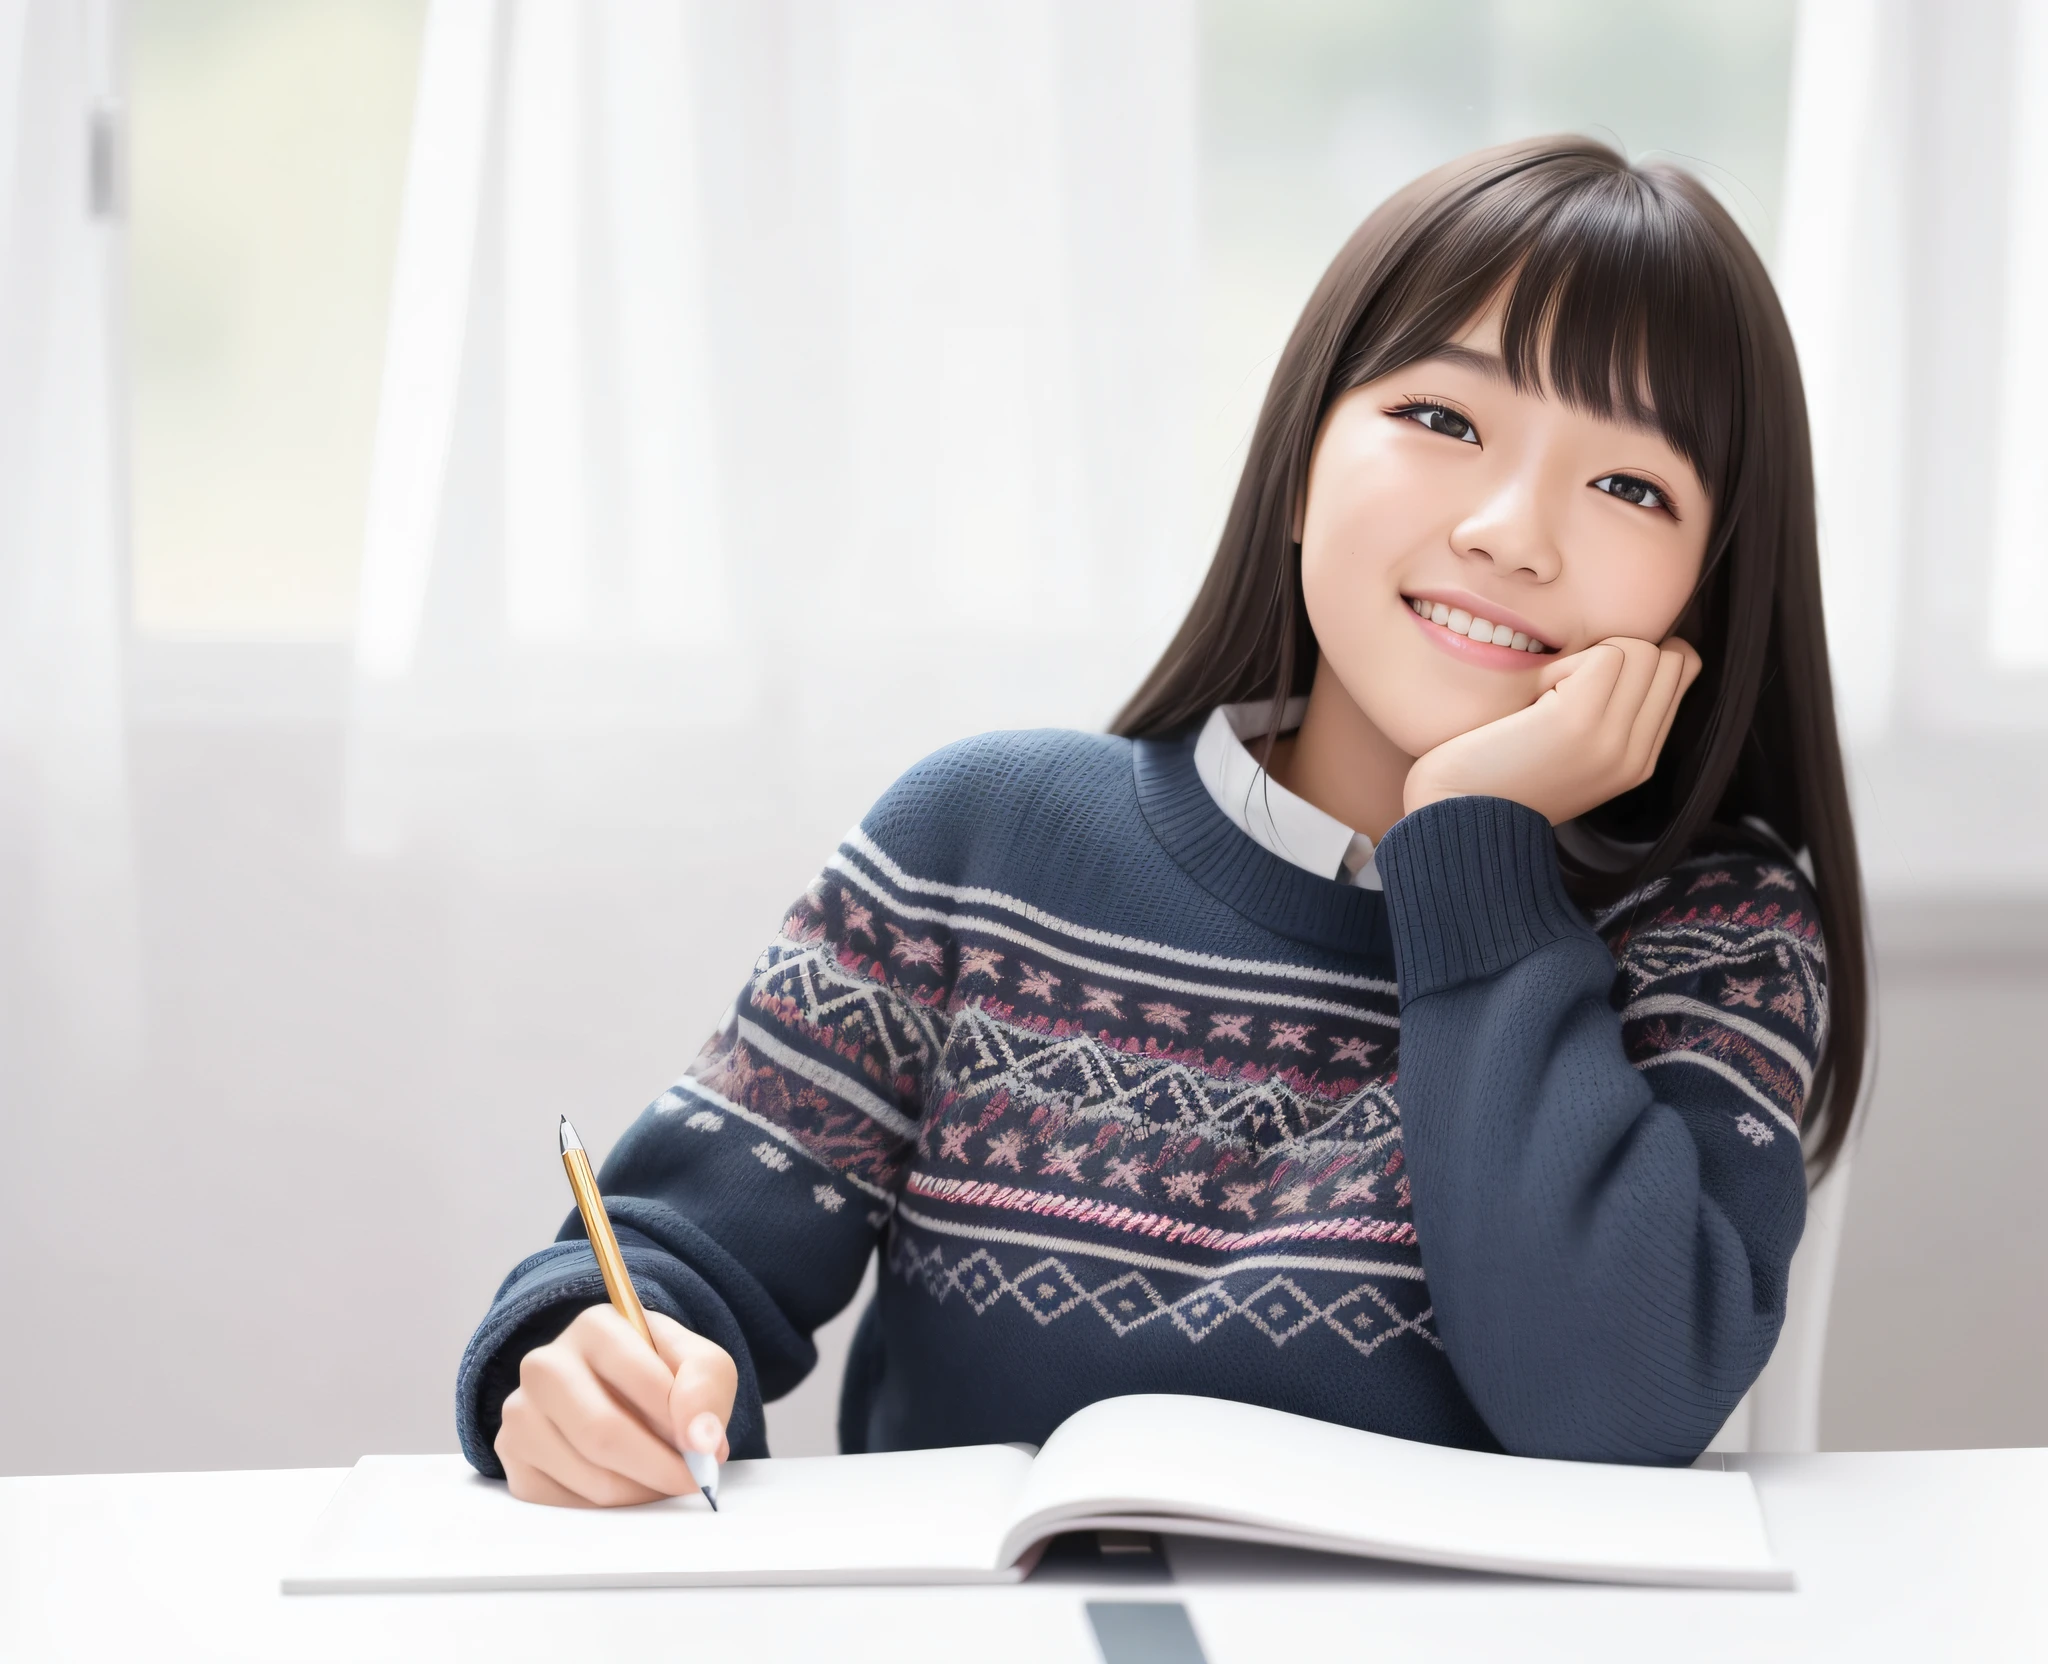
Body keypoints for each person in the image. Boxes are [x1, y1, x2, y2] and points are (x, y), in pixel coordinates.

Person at [456, 136, 1868, 1507]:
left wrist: (1478, 846)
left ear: (1708, 590)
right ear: (1301, 464)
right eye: (1444, 420)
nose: (1514, 530)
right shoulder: (980, 844)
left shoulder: (1716, 935)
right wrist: (594, 1364)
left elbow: (1611, 1413)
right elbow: (668, 1254)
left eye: (1631, 485)